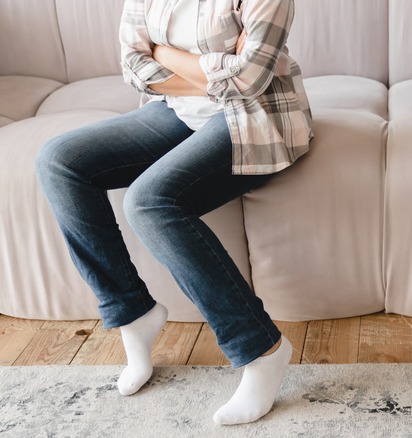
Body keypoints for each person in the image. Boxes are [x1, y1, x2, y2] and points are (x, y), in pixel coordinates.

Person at [35, 0, 312, 425]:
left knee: (148, 202)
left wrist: (164, 53)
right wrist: (215, 70)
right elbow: (134, 64)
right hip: (177, 112)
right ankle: (133, 313)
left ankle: (261, 350)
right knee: (58, 161)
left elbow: (250, 81)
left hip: (254, 120)